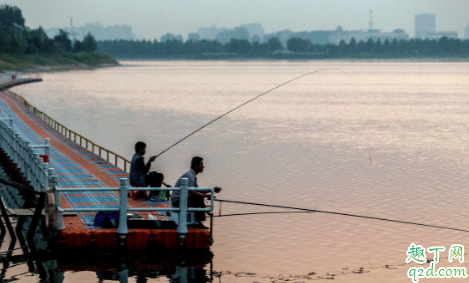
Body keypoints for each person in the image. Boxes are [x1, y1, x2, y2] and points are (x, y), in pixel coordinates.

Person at [172, 156, 221, 229]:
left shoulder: (192, 175)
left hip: (182, 199)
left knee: (199, 198)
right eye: (201, 164)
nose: (203, 166)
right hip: (177, 201)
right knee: (198, 199)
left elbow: (197, 190)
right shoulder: (189, 176)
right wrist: (206, 196)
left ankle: (197, 221)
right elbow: (192, 192)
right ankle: (198, 223)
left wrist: (212, 190)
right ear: (196, 166)